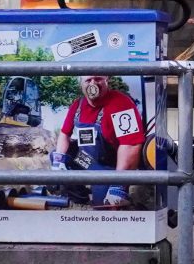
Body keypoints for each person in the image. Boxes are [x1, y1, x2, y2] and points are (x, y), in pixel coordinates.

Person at [52, 74, 148, 208]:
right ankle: (80, 200)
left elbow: (131, 144)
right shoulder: (77, 106)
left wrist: (119, 184)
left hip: (109, 167)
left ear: (106, 80)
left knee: (104, 207)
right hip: (87, 160)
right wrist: (58, 164)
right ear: (82, 84)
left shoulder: (121, 103)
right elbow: (64, 134)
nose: (93, 84)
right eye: (88, 80)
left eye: (97, 79)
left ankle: (107, 192)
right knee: (57, 155)